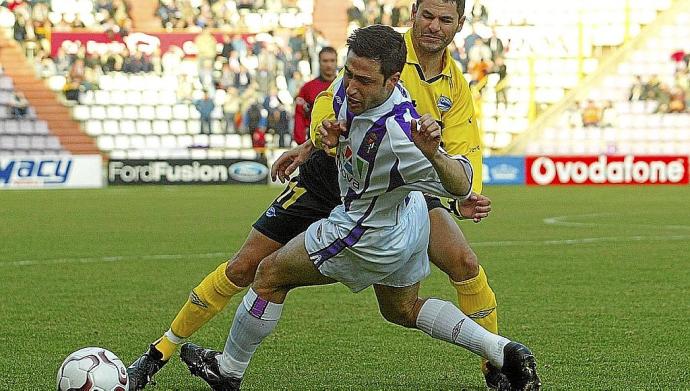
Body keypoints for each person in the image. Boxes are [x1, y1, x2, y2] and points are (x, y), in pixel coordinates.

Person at [127, 1, 536, 389]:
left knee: (268, 274)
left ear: (458, 26)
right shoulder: (375, 53)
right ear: (412, 15)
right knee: (389, 307)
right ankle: (501, 350)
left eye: (444, 20)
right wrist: (314, 141)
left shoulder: (414, 123)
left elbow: (460, 171)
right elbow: (333, 103)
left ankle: (228, 371)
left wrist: (456, 186)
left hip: (373, 209)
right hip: (340, 178)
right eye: (427, 15)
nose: (433, 26)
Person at [293, 46, 338, 145]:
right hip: (315, 144)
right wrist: (302, 143)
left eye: (332, 60)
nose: (329, 65)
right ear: (319, 62)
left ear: (336, 62)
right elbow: (299, 115)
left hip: (340, 143)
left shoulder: (345, 86)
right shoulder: (307, 88)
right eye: (325, 61)